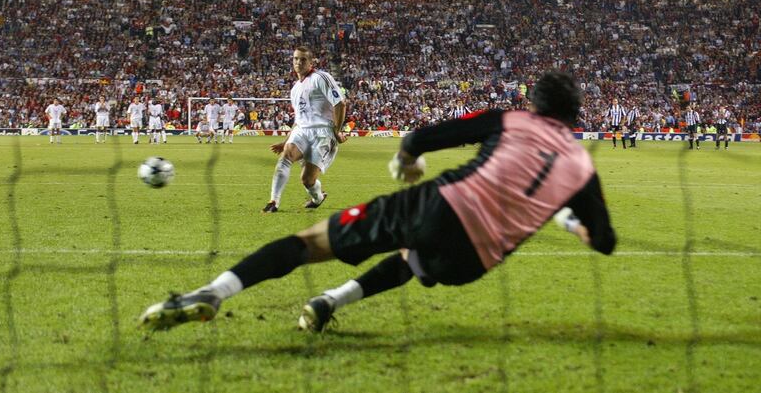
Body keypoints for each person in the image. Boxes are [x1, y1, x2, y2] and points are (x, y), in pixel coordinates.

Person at [139, 71, 617, 332]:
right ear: (574, 118)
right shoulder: (583, 168)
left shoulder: (513, 120)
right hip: (472, 262)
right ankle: (329, 302)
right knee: (411, 257)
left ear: (533, 105)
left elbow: (425, 136)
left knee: (311, 242)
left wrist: (409, 159)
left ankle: (214, 293)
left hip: (438, 206)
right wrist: (572, 222)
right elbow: (607, 244)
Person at [262, 46, 347, 213]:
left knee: (307, 180)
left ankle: (318, 198)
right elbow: (298, 120)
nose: (298, 62)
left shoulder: (320, 78)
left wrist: (336, 130)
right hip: (302, 131)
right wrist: (285, 141)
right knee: (285, 156)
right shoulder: (295, 89)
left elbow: (340, 103)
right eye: (295, 59)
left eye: (303, 59)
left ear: (310, 62)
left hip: (323, 133)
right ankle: (273, 201)